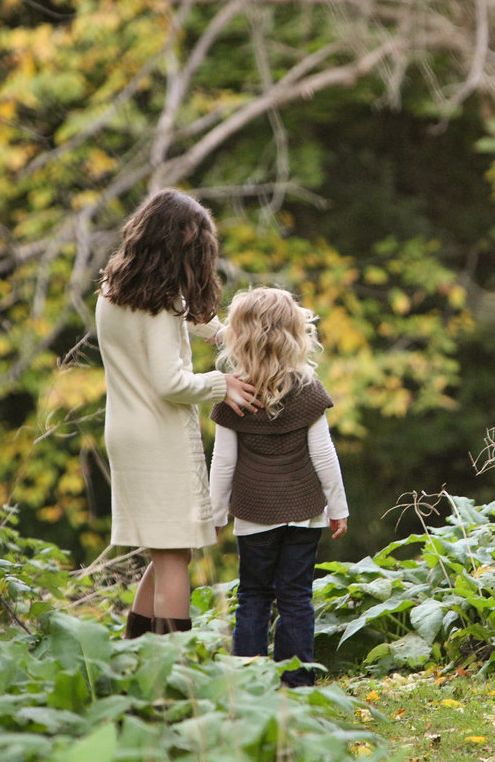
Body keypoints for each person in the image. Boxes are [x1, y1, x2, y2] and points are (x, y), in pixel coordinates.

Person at [96, 189, 260, 639]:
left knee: (167, 553)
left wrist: (219, 331)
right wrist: (220, 384)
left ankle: (137, 654)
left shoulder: (115, 292)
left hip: (127, 433)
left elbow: (166, 329)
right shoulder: (162, 305)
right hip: (157, 438)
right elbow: (170, 382)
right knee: (173, 559)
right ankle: (175, 671)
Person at [209, 286, 349, 688]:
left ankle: (249, 685)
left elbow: (224, 463)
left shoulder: (232, 395)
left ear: (237, 336)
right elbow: (324, 455)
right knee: (296, 597)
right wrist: (338, 507)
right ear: (296, 334)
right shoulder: (307, 391)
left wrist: (216, 516)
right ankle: (298, 685)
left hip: (254, 515)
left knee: (253, 596)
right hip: (304, 512)